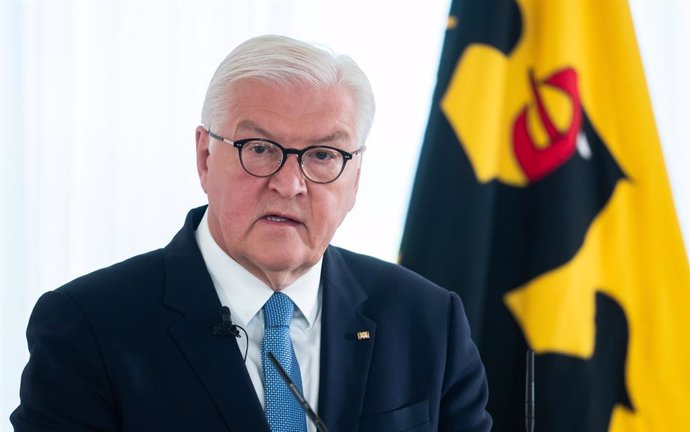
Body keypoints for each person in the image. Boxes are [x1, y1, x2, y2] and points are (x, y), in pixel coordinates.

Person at [10, 35, 492, 432]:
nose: (290, 183)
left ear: (356, 175)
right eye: (260, 148)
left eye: (324, 155)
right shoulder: (89, 326)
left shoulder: (428, 320)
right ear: (204, 157)